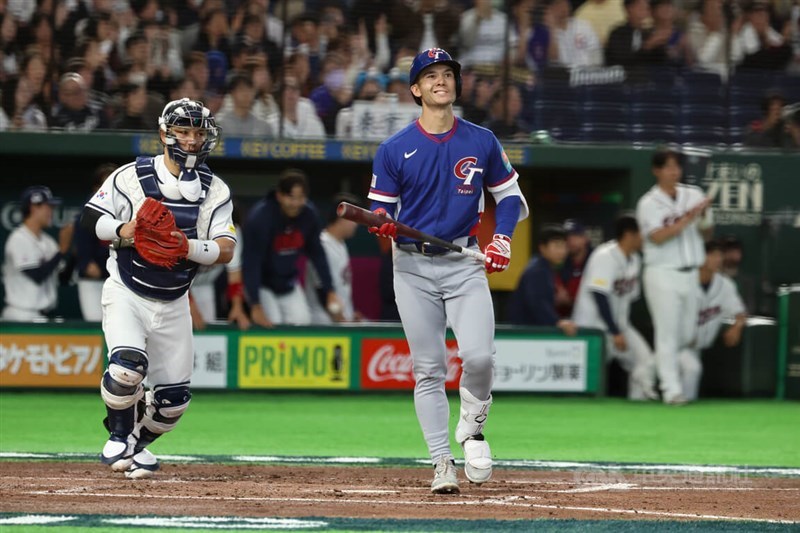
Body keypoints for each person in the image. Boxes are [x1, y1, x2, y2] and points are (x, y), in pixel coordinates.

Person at [367, 47, 530, 494]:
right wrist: (382, 224)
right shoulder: (394, 149)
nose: (441, 80)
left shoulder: (482, 140)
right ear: (416, 90)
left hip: (463, 261)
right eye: (431, 75)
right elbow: (381, 212)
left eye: (448, 74)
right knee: (429, 368)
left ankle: (473, 429)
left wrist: (502, 239)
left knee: (478, 358)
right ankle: (442, 461)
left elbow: (511, 198)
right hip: (413, 266)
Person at [80, 98, 236, 478]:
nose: (192, 140)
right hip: (127, 290)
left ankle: (134, 444)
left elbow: (226, 249)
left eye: (198, 132)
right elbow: (91, 219)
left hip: (174, 299)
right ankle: (117, 434)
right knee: (127, 368)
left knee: (173, 403)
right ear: (166, 133)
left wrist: (187, 247)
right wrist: (126, 231)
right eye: (184, 131)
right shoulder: (130, 176)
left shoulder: (215, 190)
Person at [636, 148, 713, 405]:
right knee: (667, 334)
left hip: (691, 272)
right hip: (662, 273)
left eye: (677, 166)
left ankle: (646, 369)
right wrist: (690, 217)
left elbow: (707, 233)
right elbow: (657, 237)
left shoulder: (694, 194)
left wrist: (701, 217)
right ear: (656, 170)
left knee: (687, 334)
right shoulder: (648, 202)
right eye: (669, 166)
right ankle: (671, 390)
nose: (674, 171)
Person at [572, 214, 658, 401]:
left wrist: (619, 329)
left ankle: (638, 401)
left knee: (646, 361)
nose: (644, 238)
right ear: (629, 234)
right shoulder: (605, 255)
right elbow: (599, 295)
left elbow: (630, 296)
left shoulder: (635, 260)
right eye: (640, 233)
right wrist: (614, 331)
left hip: (619, 325)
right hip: (594, 327)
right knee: (592, 375)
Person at [242, 169, 343, 327]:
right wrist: (255, 304)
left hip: (288, 282)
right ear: (279, 196)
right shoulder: (260, 218)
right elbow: (251, 263)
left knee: (302, 322)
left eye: (301, 198)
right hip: (263, 285)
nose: (296, 203)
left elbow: (318, 255)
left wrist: (330, 291)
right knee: (272, 323)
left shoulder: (308, 216)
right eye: (291, 197)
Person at [677, 240, 746, 402]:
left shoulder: (725, 285)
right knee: (690, 369)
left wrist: (737, 327)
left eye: (719, 255)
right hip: (675, 345)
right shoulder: (683, 282)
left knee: (692, 370)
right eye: (712, 255)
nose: (718, 259)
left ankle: (681, 411)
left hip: (695, 349)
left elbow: (740, 313)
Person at [2, 186, 74, 321]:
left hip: (45, 315)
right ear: (34, 207)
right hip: (21, 315)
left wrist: (74, 255)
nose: (51, 212)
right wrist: (62, 251)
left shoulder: (48, 242)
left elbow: (63, 278)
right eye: (48, 207)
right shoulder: (18, 238)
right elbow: (36, 276)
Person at [507, 224, 578, 336]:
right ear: (543, 247)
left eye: (564, 246)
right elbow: (537, 303)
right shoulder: (537, 270)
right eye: (557, 246)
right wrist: (557, 322)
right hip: (525, 334)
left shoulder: (545, 267)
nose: (562, 251)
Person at [304, 193, 363, 324]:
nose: (356, 224)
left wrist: (350, 314)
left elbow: (341, 285)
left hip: (340, 321)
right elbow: (321, 289)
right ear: (342, 217)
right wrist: (340, 318)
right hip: (324, 323)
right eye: (354, 219)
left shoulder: (340, 244)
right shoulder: (322, 245)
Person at [74, 163, 117, 322]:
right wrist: (86, 263)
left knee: (118, 325)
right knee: (96, 322)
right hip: (94, 281)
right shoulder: (87, 211)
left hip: (118, 279)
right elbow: (86, 262)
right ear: (96, 188)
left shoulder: (127, 209)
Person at [556, 218, 592, 317]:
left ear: (585, 238)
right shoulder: (559, 260)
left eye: (575, 236)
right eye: (567, 237)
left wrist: (571, 300)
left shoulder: (594, 259)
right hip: (564, 320)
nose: (571, 241)